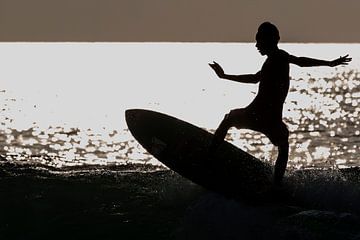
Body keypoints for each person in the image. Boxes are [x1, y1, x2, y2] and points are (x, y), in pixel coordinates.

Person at [209, 22, 351, 186]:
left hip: (255, 114)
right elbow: (254, 78)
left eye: (259, 41)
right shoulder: (272, 61)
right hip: (272, 120)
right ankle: (277, 185)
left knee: (229, 118)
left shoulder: (279, 56)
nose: (256, 45)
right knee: (283, 145)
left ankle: (209, 155)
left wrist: (329, 63)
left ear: (270, 40)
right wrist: (225, 76)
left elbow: (301, 61)